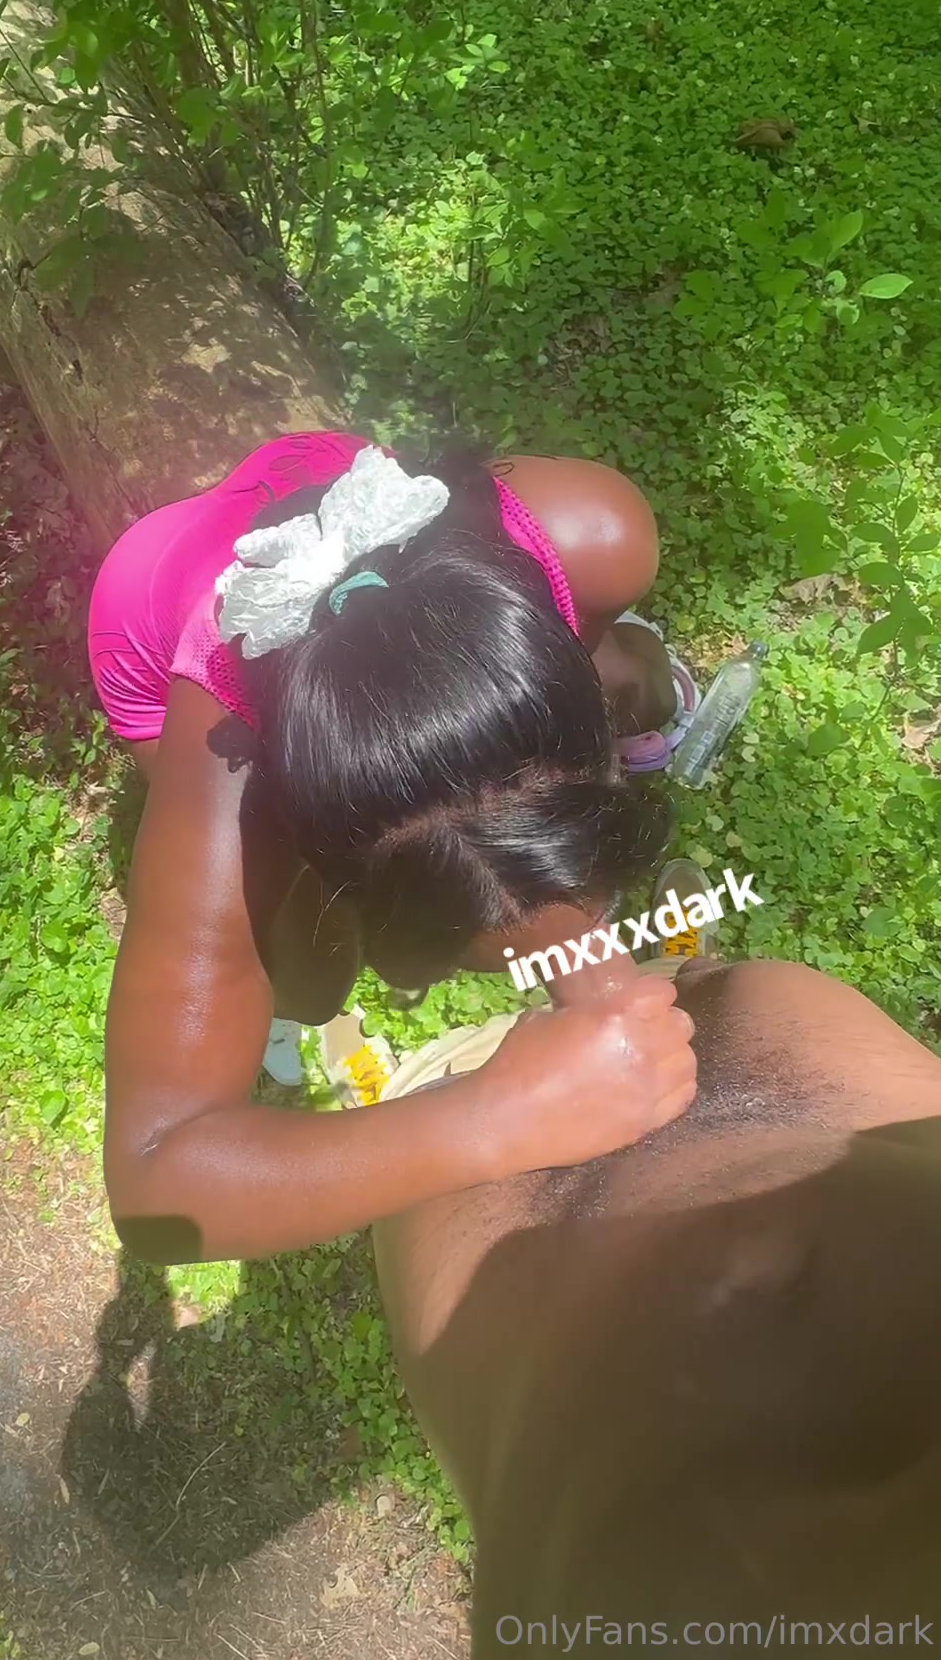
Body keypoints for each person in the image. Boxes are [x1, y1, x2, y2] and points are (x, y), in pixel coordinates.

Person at [90, 434, 698, 1263]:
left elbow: (508, 837)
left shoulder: (597, 534)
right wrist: (494, 1118)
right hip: (149, 602)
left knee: (636, 681)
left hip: (322, 479)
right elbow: (155, 1180)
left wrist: (587, 964)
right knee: (307, 985)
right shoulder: (227, 763)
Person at [372, 918, 941, 1645]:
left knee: (422, 1105)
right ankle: (682, 970)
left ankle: (413, 1078)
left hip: (466, 1172)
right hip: (742, 1053)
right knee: (691, 994)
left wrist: (474, 1121)